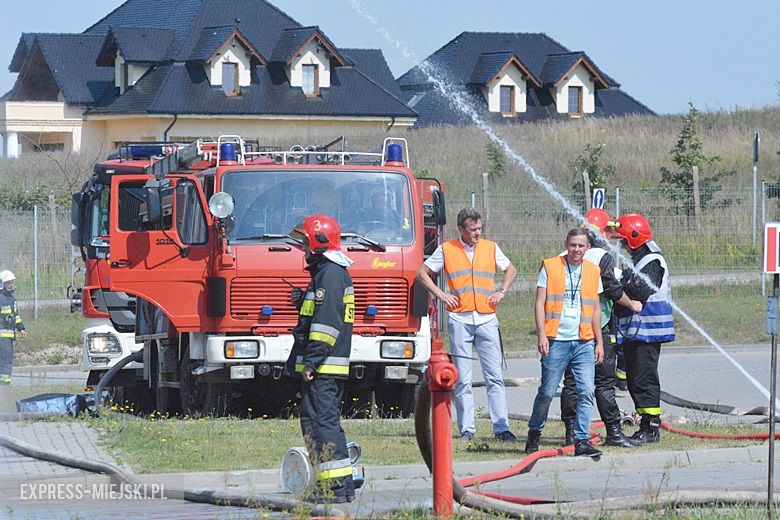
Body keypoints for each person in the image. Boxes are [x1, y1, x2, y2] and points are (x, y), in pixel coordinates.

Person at [416, 207, 518, 442]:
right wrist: (442, 295)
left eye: (480, 228)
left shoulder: (490, 247)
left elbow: (510, 269)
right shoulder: (447, 249)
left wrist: (501, 290)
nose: (477, 233)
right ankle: (467, 429)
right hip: (460, 318)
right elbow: (423, 273)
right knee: (462, 378)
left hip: (486, 317)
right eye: (473, 230)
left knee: (494, 376)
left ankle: (501, 426)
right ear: (461, 229)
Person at [284, 215, 356, 503]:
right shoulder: (330, 273)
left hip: (323, 366)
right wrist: (305, 300)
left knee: (319, 424)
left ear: (317, 242)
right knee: (326, 422)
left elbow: (327, 324)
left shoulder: (329, 274)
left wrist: (311, 362)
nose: (302, 249)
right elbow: (326, 312)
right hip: (328, 365)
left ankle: (332, 489)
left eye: (304, 243)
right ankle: (342, 486)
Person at [559, 209, 643, 449]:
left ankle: (571, 434)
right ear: (602, 233)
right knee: (604, 382)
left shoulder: (563, 255)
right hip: (598, 327)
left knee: (572, 383)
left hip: (567, 328)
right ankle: (614, 432)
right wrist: (632, 303)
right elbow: (611, 290)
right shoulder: (600, 256)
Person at [526, 228, 603, 457]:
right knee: (548, 391)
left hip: (583, 341)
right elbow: (540, 303)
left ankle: (581, 440)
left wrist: (599, 341)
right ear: (566, 245)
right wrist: (542, 335)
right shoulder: (551, 266)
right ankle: (534, 432)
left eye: (581, 246)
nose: (576, 250)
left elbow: (596, 309)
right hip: (556, 339)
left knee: (587, 390)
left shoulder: (593, 271)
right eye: (573, 245)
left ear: (588, 247)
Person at [610, 213, 675, 444]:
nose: (623, 246)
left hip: (648, 330)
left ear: (634, 239)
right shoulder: (640, 261)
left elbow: (638, 292)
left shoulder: (653, 262)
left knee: (645, 378)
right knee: (636, 379)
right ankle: (645, 423)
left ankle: (651, 428)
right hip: (637, 331)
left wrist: (619, 287)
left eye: (624, 241)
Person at [0, 270, 26, 385]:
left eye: (12, 282)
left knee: (6, 360)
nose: (11, 285)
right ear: (2, 284)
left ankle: (4, 384)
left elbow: (16, 316)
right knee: (6, 360)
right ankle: (4, 385)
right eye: (8, 283)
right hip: (2, 337)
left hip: (8, 336)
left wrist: (21, 328)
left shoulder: (12, 299)